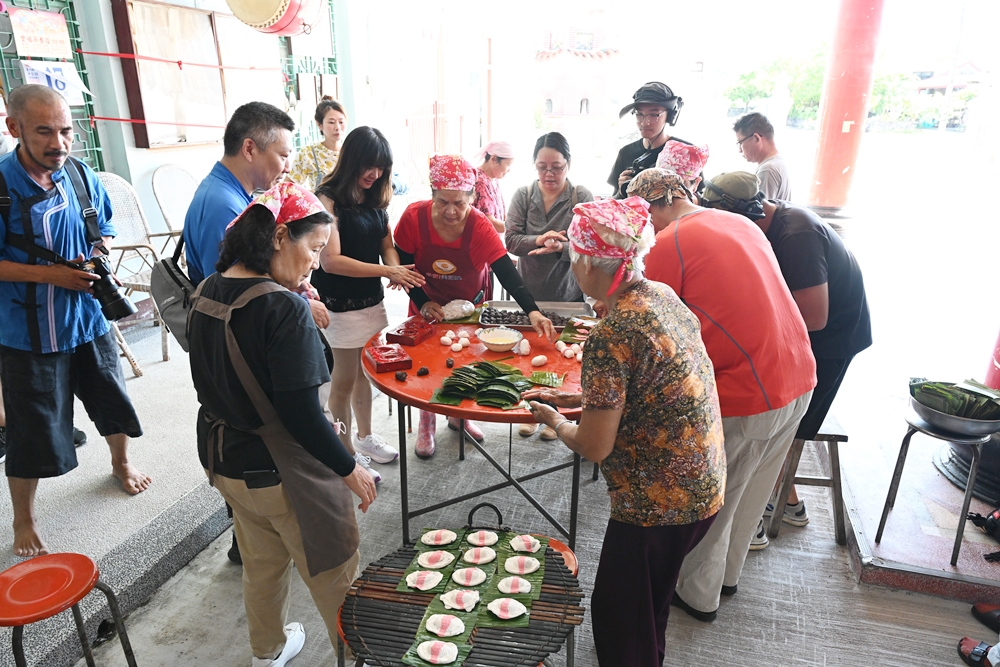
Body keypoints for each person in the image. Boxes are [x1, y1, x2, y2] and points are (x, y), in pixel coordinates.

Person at [524, 197, 725, 667]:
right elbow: (646, 388)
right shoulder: (661, 295)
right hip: (704, 483)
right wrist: (579, 401)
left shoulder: (612, 333)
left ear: (589, 264)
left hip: (658, 502)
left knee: (619, 621)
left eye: (574, 253)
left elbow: (595, 446)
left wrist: (554, 420)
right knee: (647, 607)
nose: (571, 262)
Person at [187, 181, 377, 667]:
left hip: (226, 460)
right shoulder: (283, 308)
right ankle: (356, 655)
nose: (315, 261)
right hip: (284, 472)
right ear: (277, 238)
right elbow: (302, 415)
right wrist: (348, 467)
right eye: (312, 248)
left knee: (262, 564)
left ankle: (267, 652)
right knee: (335, 572)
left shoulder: (208, 289)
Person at [627, 168, 815, 622]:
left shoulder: (669, 242)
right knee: (751, 491)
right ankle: (728, 577)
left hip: (747, 391)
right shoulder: (738, 222)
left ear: (657, 206)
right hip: (799, 374)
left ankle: (698, 596)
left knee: (713, 500)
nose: (642, 231)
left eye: (641, 218)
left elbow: (651, 331)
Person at [0, 85, 150, 557]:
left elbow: (101, 228)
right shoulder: (3, 187)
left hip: (87, 319)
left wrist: (94, 257)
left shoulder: (82, 174)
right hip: (27, 329)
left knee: (111, 398)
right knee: (32, 426)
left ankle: (121, 464)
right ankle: (24, 518)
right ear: (14, 128)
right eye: (44, 131)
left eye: (66, 130)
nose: (58, 143)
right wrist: (53, 276)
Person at [700, 172, 871, 536]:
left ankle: (764, 511)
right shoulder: (769, 223)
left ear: (745, 213)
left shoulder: (798, 237)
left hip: (831, 338)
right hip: (805, 332)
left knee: (782, 424)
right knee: (771, 420)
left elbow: (813, 317)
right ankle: (786, 502)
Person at [394, 155, 556, 457]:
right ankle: (426, 422)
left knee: (465, 359)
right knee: (426, 365)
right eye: (442, 202)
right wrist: (422, 301)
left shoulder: (480, 227)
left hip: (470, 304)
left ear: (472, 198)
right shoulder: (413, 219)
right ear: (431, 193)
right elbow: (403, 266)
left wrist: (532, 310)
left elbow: (508, 273)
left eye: (460, 203)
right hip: (425, 299)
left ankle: (459, 417)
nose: (451, 212)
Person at [313, 127, 424, 482]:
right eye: (368, 166)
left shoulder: (375, 196)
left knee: (366, 374)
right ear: (351, 159)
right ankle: (344, 455)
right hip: (339, 304)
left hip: (370, 301)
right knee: (342, 381)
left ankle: (364, 438)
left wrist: (394, 267)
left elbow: (385, 241)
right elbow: (332, 261)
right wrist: (387, 269)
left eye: (381, 168)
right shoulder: (327, 199)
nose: (374, 174)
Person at [505, 132, 593, 439]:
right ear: (533, 165)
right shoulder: (523, 195)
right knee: (529, 355)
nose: (549, 174)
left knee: (564, 357)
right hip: (529, 294)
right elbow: (511, 240)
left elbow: (591, 246)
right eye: (542, 166)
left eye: (556, 166)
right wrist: (539, 240)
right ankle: (532, 409)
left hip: (568, 292)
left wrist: (562, 248)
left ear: (568, 164)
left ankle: (558, 415)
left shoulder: (581, 197)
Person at [183, 102, 296, 286]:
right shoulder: (222, 206)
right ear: (249, 149)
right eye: (283, 156)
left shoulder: (225, 190)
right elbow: (229, 290)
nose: (288, 168)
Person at [608, 82, 693, 198]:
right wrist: (622, 192)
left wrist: (686, 192)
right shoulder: (626, 153)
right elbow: (613, 205)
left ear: (670, 116)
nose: (644, 122)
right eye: (639, 114)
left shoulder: (686, 153)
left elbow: (699, 205)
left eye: (654, 115)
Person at [288, 97, 347, 192]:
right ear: (319, 124)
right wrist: (310, 194)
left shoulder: (351, 151)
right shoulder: (308, 153)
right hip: (320, 206)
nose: (338, 127)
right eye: (331, 122)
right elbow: (288, 187)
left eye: (341, 122)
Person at [733, 112, 792, 200]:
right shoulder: (778, 163)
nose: (739, 150)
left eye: (740, 143)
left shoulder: (767, 170)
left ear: (756, 138)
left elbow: (761, 212)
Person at [471, 140, 516, 234]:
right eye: (508, 164)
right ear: (494, 159)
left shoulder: (493, 179)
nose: (509, 170)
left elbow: (501, 214)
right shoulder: (480, 182)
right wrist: (520, 229)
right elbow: (489, 222)